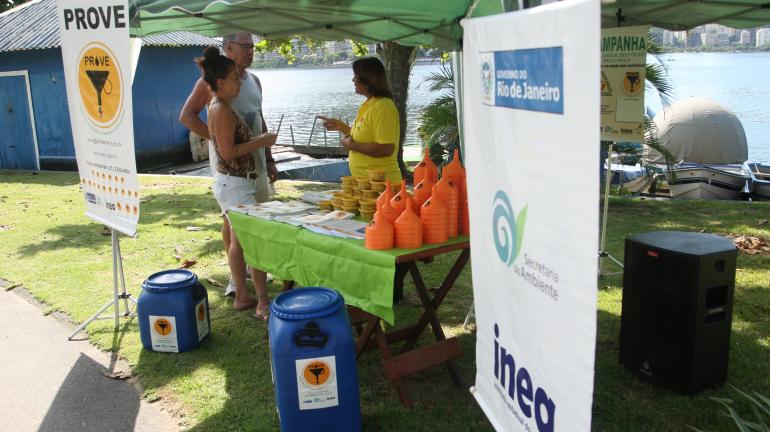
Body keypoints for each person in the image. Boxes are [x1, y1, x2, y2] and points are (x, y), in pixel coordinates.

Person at [180, 32, 278, 299]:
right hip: (232, 168)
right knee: (234, 226)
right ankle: (239, 283)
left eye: (253, 47)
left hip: (255, 163)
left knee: (253, 224)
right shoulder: (212, 83)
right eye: (245, 47)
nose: (251, 51)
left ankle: (252, 273)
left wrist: (269, 158)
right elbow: (187, 116)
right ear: (229, 49)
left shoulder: (254, 81)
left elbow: (258, 117)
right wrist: (218, 139)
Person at [319, 57, 402, 183]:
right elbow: (365, 137)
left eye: (356, 76)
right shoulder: (369, 105)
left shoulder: (383, 106)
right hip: (366, 183)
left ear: (368, 79)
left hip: (383, 185)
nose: (353, 80)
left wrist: (351, 146)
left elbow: (386, 149)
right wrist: (342, 127)